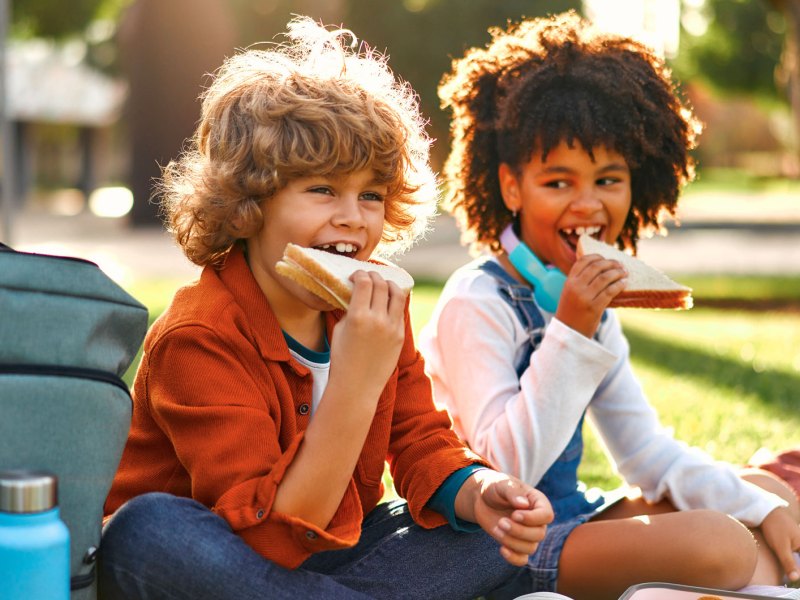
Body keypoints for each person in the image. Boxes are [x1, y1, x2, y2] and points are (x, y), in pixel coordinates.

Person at [99, 16, 555, 600]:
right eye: (322, 189)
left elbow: (421, 439)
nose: (353, 216)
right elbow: (268, 541)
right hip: (217, 560)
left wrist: (480, 491)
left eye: (371, 195)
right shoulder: (199, 335)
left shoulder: (370, 307)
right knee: (146, 532)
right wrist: (355, 381)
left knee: (483, 539)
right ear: (249, 202)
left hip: (327, 559)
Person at [419, 11, 800, 600]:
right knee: (721, 544)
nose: (588, 205)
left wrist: (759, 505)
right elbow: (504, 468)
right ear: (511, 187)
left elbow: (646, 454)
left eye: (608, 179)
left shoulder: (591, 304)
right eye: (558, 182)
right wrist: (571, 326)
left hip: (577, 519)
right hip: (498, 549)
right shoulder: (478, 299)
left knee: (763, 497)